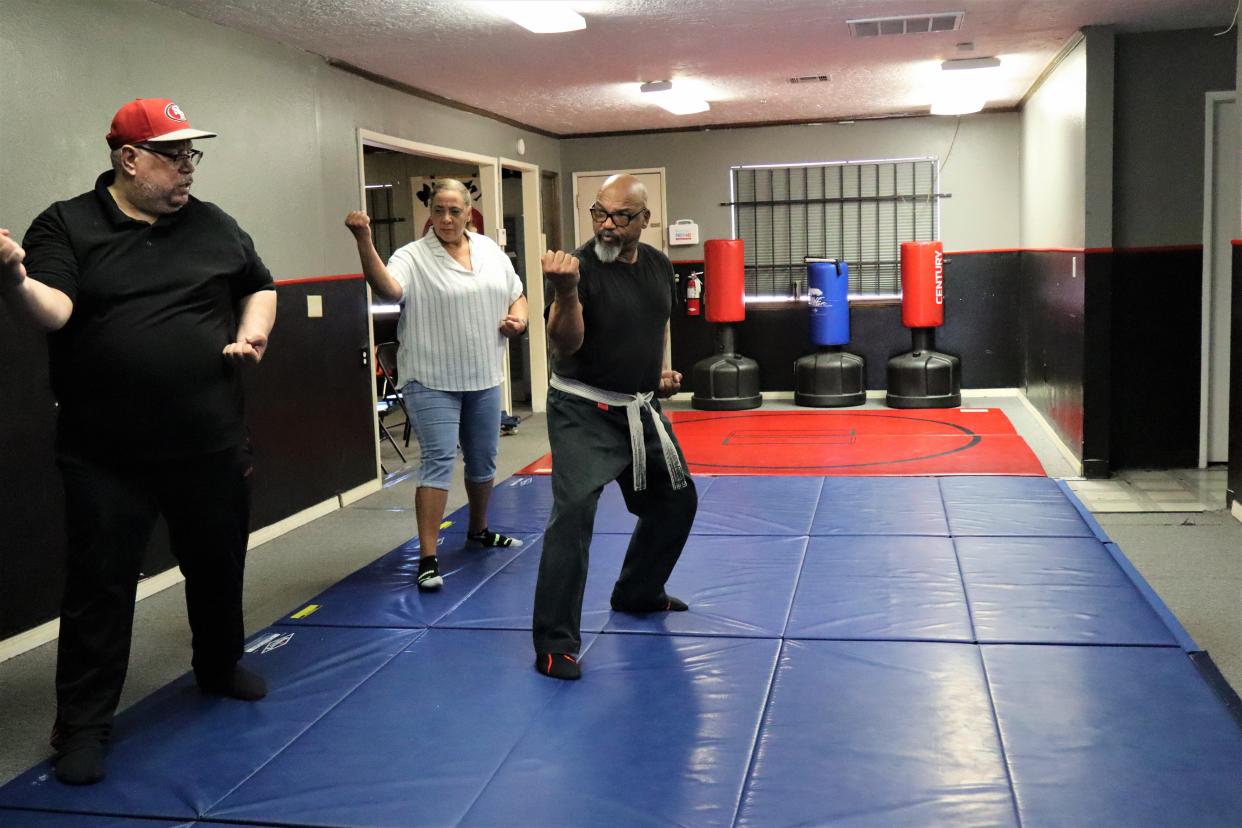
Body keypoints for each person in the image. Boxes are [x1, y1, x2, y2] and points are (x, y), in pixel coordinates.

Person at [0, 98, 277, 785]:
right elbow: (54, 311)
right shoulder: (67, 223)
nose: (188, 168)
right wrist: (12, 280)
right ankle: (84, 726)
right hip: (106, 455)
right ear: (129, 159)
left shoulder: (213, 224)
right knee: (100, 587)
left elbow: (260, 285)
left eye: (192, 155)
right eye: (174, 155)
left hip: (209, 442)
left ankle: (217, 667)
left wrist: (253, 332)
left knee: (217, 567)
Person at [532, 174, 698, 681]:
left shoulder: (658, 265)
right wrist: (566, 290)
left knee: (677, 501)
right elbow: (566, 344)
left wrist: (657, 373)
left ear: (645, 220)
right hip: (582, 411)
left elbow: (651, 326)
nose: (607, 225)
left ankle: (637, 591)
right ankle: (554, 642)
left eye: (620, 217)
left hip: (639, 407)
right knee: (575, 511)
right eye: (599, 214)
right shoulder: (578, 268)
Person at [345, 178, 528, 591]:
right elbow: (388, 288)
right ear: (430, 212)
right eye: (439, 211)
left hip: (483, 374)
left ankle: (478, 531)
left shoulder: (488, 251)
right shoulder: (412, 255)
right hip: (430, 377)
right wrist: (364, 242)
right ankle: (428, 557)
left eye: (455, 211)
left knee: (483, 460)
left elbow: (517, 294)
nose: (446, 219)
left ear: (468, 213)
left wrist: (519, 319)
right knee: (439, 461)